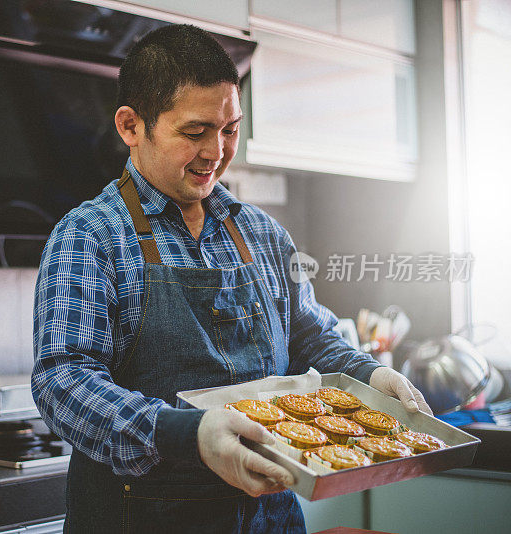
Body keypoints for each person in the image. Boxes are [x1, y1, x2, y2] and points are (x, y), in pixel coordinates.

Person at [32, 24, 431, 533]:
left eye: (230, 129)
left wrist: (370, 376)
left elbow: (308, 337)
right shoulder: (90, 238)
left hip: (270, 517)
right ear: (132, 126)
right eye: (195, 132)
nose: (216, 151)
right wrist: (190, 435)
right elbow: (62, 381)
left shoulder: (263, 236)